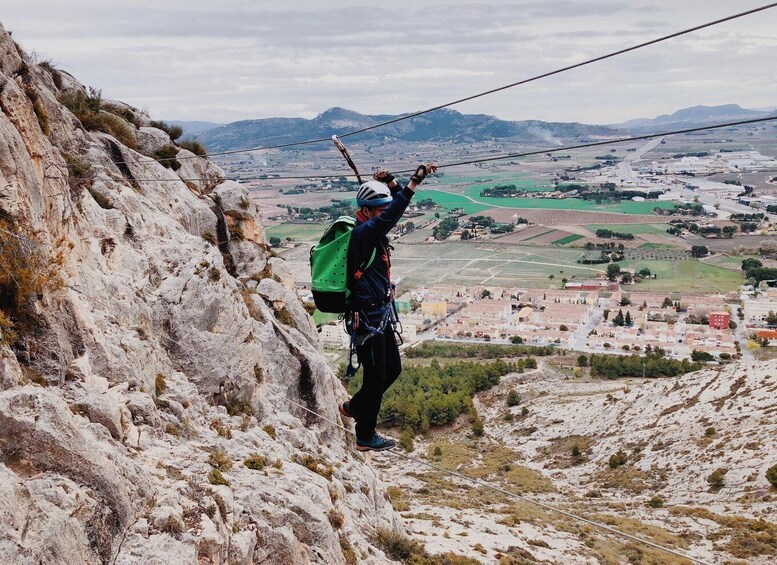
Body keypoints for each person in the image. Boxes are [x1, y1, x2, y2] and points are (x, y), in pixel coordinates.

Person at [339, 163, 438, 451]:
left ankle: (352, 407)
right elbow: (393, 214)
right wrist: (411, 184)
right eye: (378, 210)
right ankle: (365, 435)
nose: (384, 214)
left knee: (392, 369)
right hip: (366, 318)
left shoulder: (370, 228)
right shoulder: (362, 234)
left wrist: (393, 183)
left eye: (384, 209)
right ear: (367, 211)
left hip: (378, 314)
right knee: (375, 377)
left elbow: (391, 208)